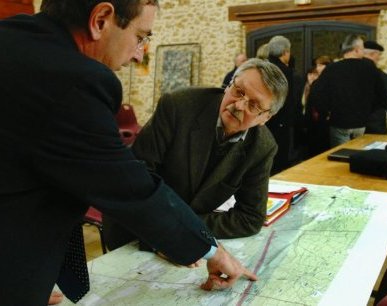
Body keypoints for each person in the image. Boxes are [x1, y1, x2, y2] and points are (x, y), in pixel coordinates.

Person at [0, 1, 256, 305]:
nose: (139, 54)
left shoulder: (13, 40)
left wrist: (28, 274)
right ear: (101, 19)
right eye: (140, 37)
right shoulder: (74, 81)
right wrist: (211, 250)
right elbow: (129, 187)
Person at [104, 58, 288, 250]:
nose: (239, 105)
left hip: (183, 239)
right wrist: (173, 233)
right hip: (135, 231)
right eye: (238, 91)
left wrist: (185, 230)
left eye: (254, 105)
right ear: (228, 85)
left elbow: (250, 218)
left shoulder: (262, 147)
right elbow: (137, 180)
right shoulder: (178, 106)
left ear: (266, 118)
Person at [309, 34, 387, 147]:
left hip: (339, 122)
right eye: (362, 49)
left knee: (340, 157)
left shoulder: (332, 68)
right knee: (358, 156)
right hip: (360, 122)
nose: (363, 52)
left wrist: (325, 112)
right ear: (356, 50)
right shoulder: (369, 67)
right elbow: (382, 94)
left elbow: (316, 93)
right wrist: (367, 111)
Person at [266, 35, 304, 173]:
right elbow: (289, 100)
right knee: (280, 159)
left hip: (264, 118)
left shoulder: (264, 67)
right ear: (285, 52)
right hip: (281, 120)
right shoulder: (285, 72)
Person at [363, 40, 387, 134]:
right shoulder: (379, 75)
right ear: (372, 54)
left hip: (354, 122)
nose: (379, 58)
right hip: (375, 121)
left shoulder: (350, 72)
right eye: (378, 55)